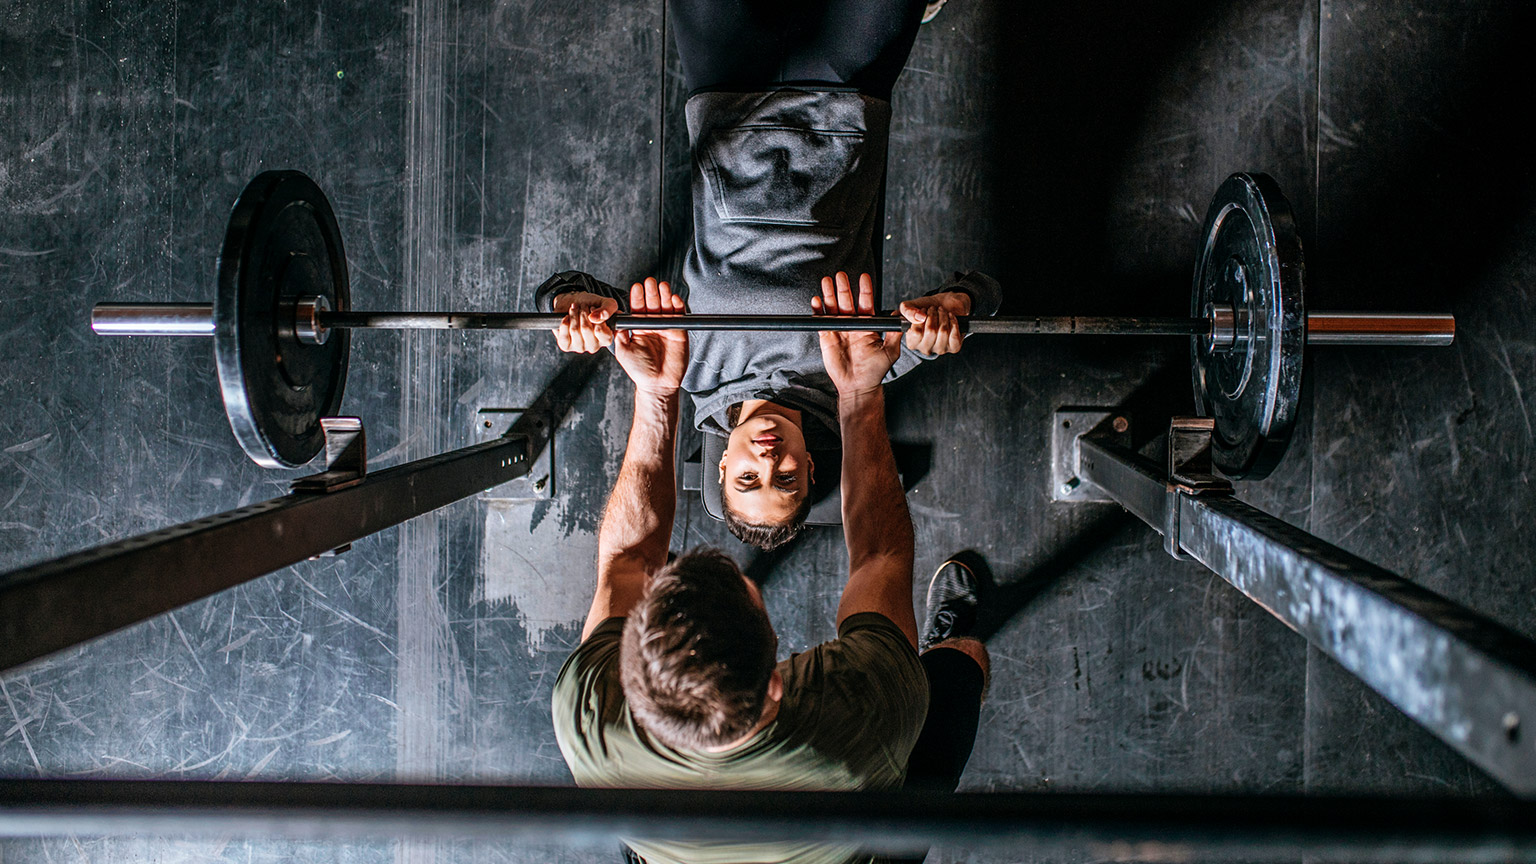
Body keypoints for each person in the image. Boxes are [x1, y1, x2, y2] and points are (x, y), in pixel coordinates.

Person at [551, 274, 991, 864]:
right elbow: (880, 559)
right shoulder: (861, 722)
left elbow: (628, 559)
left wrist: (657, 395)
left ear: (632, 675)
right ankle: (934, 650)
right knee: (959, 666)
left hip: (678, 844)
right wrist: (860, 397)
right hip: (851, 819)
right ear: (780, 681)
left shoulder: (596, 726)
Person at [535, 0, 1001, 550]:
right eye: (786, 479)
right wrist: (954, 309)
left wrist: (571, 311)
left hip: (727, 97)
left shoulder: (678, 366)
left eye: (748, 478)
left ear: (722, 462)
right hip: (843, 103)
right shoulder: (855, 374)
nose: (769, 459)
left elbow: (560, 290)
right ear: (810, 467)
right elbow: (984, 292)